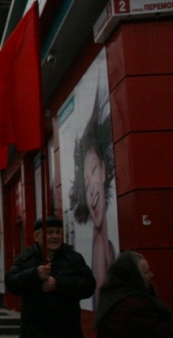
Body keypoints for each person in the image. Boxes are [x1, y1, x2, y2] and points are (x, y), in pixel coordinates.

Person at [68, 95, 116, 307]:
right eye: (86, 183)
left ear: (104, 170)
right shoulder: (98, 247)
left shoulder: (108, 246)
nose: (92, 190)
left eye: (94, 170)